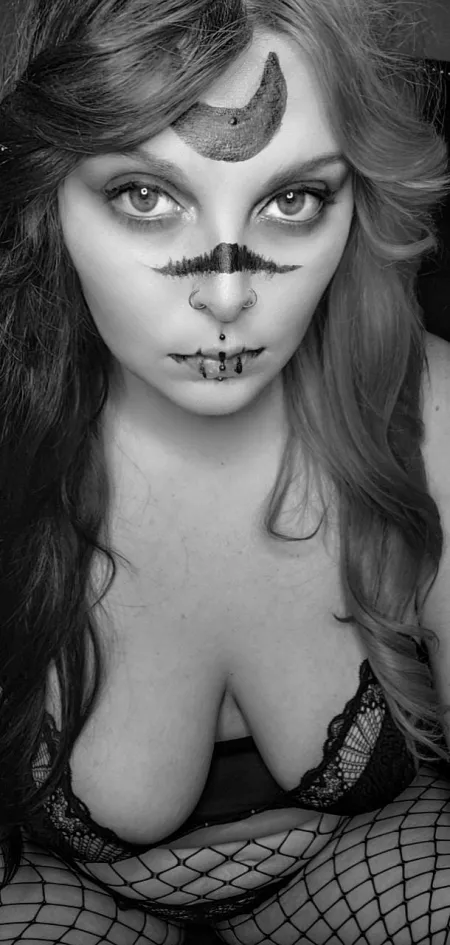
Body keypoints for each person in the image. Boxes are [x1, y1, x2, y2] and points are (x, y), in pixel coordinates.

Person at [1, 0, 450, 942]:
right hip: (59, 889)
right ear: (48, 198)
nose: (230, 294)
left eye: (294, 200)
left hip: (351, 860)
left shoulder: (426, 408)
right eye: (144, 195)